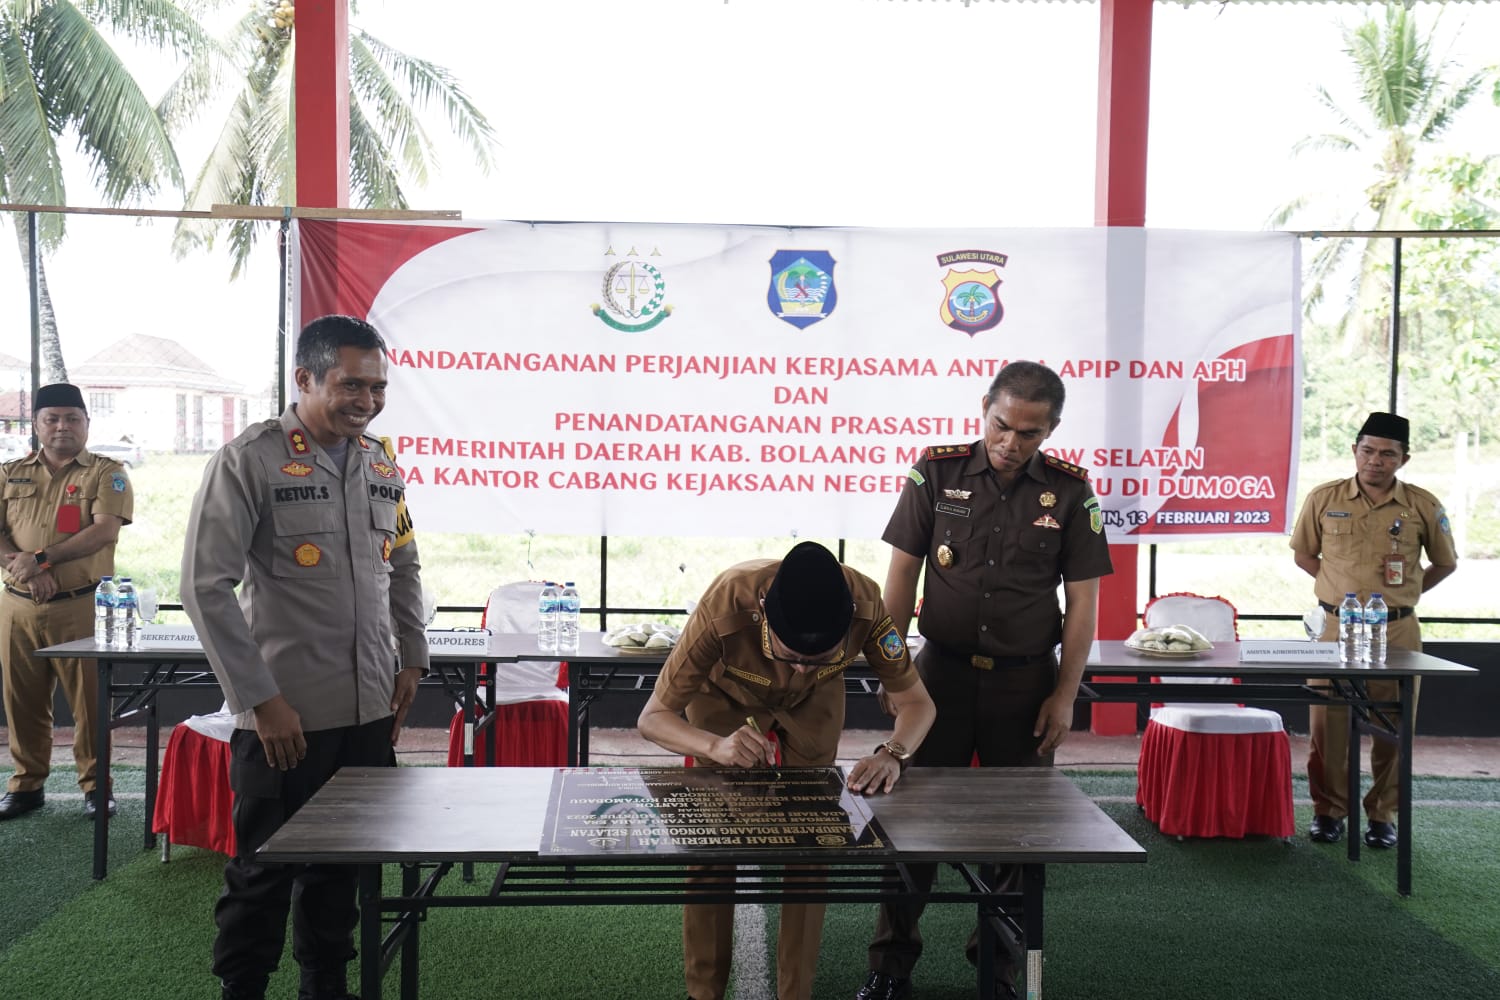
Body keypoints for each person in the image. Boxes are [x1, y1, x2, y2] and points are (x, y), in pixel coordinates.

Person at [181, 315, 430, 1000]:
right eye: (351, 384)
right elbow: (203, 587)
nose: (367, 400)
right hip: (285, 717)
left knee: (341, 867)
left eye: (377, 387)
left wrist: (412, 659)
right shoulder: (250, 459)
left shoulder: (380, 461)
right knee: (263, 871)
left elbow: (402, 566)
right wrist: (260, 700)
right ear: (305, 378)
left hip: (369, 709)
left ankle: (326, 985)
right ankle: (244, 990)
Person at [857, 360, 1113, 1000]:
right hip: (936, 677)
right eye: (1002, 426)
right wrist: (896, 669)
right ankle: (890, 969)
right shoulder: (936, 472)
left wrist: (1064, 694)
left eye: (1030, 433)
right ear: (984, 408)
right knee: (907, 818)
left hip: (1026, 685)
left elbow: (1082, 605)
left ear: (1051, 429)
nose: (1011, 443)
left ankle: (997, 976)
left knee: (1018, 834)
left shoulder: (1072, 492)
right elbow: (900, 579)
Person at [638, 540, 937, 1000]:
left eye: (816, 658)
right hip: (724, 698)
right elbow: (653, 717)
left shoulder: (868, 606)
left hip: (815, 701)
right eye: (790, 654)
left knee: (811, 844)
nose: (798, 667)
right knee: (712, 845)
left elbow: (918, 704)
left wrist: (892, 752)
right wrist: (715, 745)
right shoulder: (725, 603)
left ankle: (796, 992)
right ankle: (703, 992)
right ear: (763, 611)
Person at [1290, 411, 1457, 849]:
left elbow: (1445, 562)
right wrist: (1335, 592)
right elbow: (1304, 554)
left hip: (1395, 631)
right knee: (1329, 722)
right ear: (1354, 451)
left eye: (1387, 453)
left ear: (1404, 458)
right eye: (1368, 451)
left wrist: (1404, 595)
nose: (1376, 461)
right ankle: (1329, 812)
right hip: (1333, 627)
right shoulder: (1324, 498)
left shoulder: (1422, 505)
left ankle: (1382, 815)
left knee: (1393, 724)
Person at [0, 383, 133, 821]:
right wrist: (20, 568)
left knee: (89, 702)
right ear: (36, 424)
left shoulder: (105, 472)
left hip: (81, 605)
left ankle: (97, 787)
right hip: (17, 605)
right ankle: (26, 785)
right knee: (22, 700)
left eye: (73, 418)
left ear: (87, 424)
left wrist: (40, 561)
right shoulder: (10, 472)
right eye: (52, 418)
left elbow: (104, 531)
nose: (62, 427)